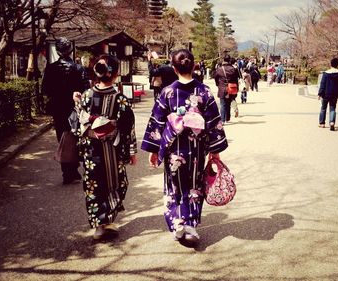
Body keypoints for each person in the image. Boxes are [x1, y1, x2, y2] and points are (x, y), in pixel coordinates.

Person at [141, 49, 228, 245]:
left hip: (174, 150)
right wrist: (215, 152)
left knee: (174, 185)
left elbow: (157, 122)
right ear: (194, 66)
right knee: (194, 187)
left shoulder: (167, 92)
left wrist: (154, 150)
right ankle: (189, 226)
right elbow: (214, 123)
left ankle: (178, 223)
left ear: (173, 68)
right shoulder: (204, 92)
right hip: (197, 150)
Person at [73, 54, 137, 240]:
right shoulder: (120, 99)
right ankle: (107, 219)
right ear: (116, 74)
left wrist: (77, 102)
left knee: (93, 184)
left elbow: (80, 121)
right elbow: (127, 127)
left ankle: (99, 224)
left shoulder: (86, 96)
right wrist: (131, 151)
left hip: (91, 150)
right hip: (112, 150)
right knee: (115, 183)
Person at [41, 37, 90, 184]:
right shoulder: (78, 68)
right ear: (70, 50)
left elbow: (45, 89)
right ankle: (73, 168)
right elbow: (86, 89)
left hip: (58, 108)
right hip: (74, 108)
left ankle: (67, 171)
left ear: (57, 51)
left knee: (62, 138)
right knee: (75, 137)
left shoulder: (50, 68)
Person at [318, 58, 338, 131]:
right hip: (334, 94)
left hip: (326, 93)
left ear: (330, 64)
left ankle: (322, 123)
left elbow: (322, 84)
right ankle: (332, 122)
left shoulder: (326, 73)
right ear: (337, 64)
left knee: (323, 108)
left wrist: (320, 93)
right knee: (332, 108)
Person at [214, 55, 239, 123]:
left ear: (224, 60)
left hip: (222, 88)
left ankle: (222, 120)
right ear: (229, 60)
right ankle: (227, 118)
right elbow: (236, 79)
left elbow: (216, 77)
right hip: (231, 88)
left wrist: (218, 84)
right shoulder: (233, 69)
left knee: (223, 104)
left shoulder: (219, 69)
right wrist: (237, 88)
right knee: (228, 103)